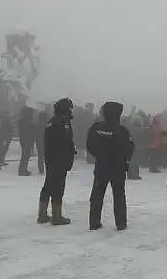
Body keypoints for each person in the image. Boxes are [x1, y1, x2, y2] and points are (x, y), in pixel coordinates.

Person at [87, 102, 135, 231]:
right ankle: (121, 223)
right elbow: (130, 148)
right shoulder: (122, 130)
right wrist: (125, 159)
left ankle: (94, 221)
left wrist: (99, 155)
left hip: (101, 165)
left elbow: (89, 144)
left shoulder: (96, 128)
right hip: (118, 166)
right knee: (119, 195)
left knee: (97, 193)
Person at [37, 98, 76, 225]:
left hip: (50, 158)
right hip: (59, 159)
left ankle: (42, 214)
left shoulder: (51, 121)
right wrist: (68, 157)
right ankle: (56, 216)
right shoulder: (63, 122)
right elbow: (65, 142)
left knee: (48, 185)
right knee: (58, 187)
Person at [17, 105, 35, 176]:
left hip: (24, 139)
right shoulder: (26, 120)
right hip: (26, 139)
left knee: (25, 155)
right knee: (25, 155)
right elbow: (27, 131)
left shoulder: (23, 119)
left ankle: (23, 169)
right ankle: (22, 170)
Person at [35, 110, 48, 175]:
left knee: (40, 157)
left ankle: (41, 169)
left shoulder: (37, 124)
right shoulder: (47, 124)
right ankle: (46, 169)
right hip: (45, 142)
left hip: (39, 142)